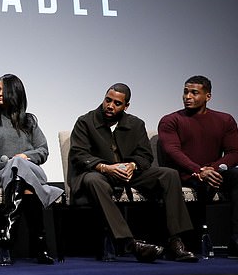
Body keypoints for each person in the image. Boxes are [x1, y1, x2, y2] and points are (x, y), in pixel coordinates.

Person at [67, 83, 197, 263]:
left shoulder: (135, 124)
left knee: (169, 174)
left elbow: (145, 155)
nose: (110, 106)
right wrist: (106, 167)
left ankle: (175, 241)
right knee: (93, 181)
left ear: (126, 106)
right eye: (108, 100)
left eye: (117, 103)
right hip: (99, 172)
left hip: (129, 174)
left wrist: (133, 165)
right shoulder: (86, 122)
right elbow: (79, 154)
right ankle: (129, 243)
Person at [0, 74, 63, 266]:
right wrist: (7, 162)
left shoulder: (29, 121)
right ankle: (41, 246)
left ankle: (6, 240)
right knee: (20, 173)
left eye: (2, 89)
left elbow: (43, 150)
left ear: (14, 92)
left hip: (29, 170)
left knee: (20, 167)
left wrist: (25, 157)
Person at [158, 75, 238, 258]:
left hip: (213, 172)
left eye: (194, 93)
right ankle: (190, 240)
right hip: (186, 174)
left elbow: (234, 153)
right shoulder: (171, 120)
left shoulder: (225, 120)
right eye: (185, 92)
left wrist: (211, 170)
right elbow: (172, 152)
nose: (187, 97)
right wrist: (199, 171)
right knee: (202, 184)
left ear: (208, 96)